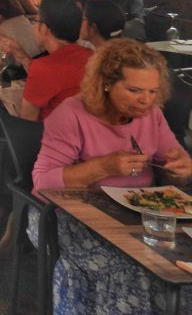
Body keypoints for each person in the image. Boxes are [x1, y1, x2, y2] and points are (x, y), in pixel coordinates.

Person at [33, 40, 192, 314]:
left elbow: (174, 168)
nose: (146, 100)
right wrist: (103, 167)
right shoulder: (71, 114)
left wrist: (182, 170)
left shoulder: (151, 115)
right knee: (126, 268)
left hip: (141, 217)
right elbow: (42, 184)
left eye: (153, 91)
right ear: (106, 83)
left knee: (180, 266)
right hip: (71, 216)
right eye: (134, 90)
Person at [16, 0, 93, 121]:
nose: (34, 26)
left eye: (36, 21)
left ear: (44, 29)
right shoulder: (91, 56)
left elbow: (27, 122)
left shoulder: (43, 67)